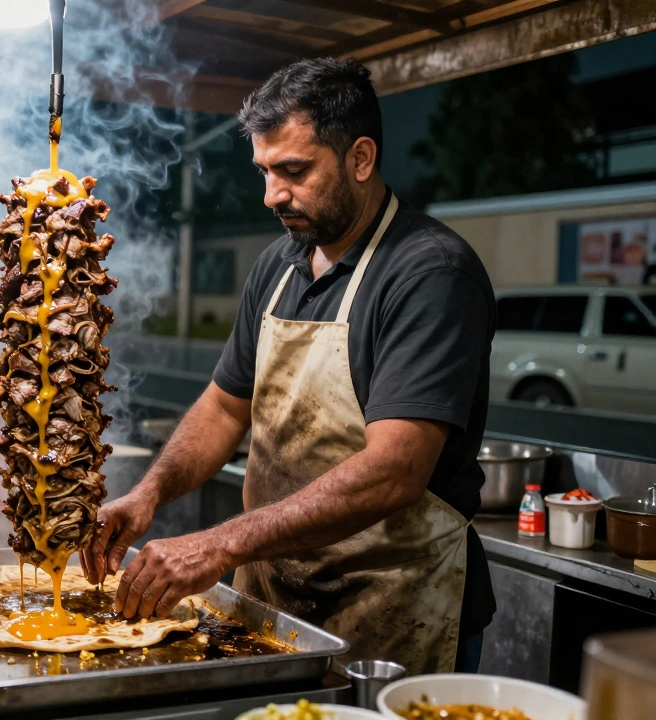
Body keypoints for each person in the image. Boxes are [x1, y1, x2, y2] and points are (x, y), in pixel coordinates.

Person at [84, 58, 496, 676]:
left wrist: (219, 543)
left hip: (392, 606)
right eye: (266, 171)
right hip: (275, 602)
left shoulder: (429, 272)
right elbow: (226, 406)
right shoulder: (279, 266)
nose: (273, 194)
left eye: (294, 171)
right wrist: (149, 493)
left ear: (360, 158)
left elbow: (395, 471)